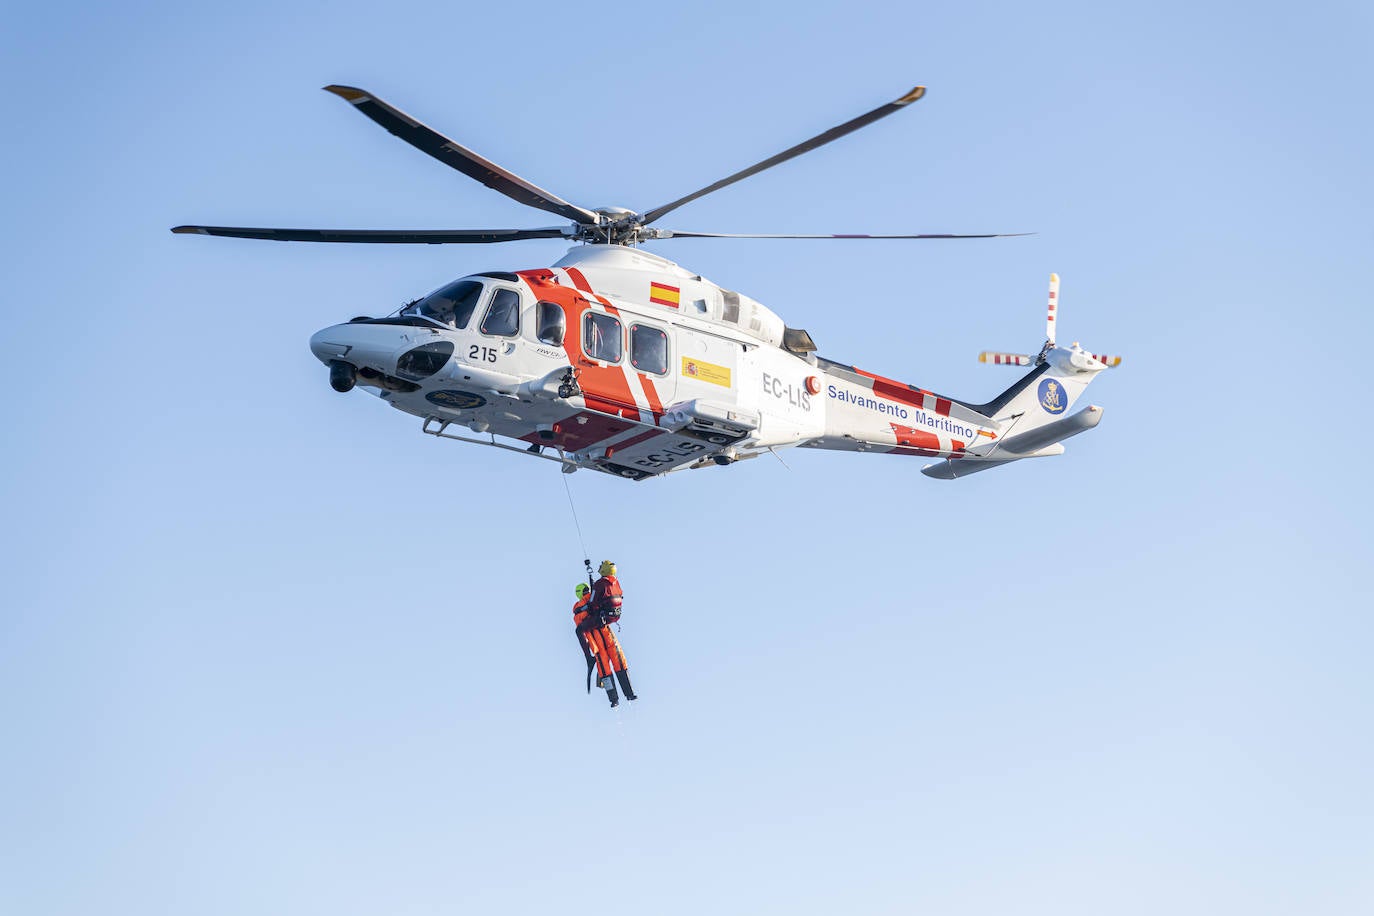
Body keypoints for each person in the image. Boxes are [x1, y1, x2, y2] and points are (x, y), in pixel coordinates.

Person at [574, 561, 637, 707]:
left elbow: (582, 620)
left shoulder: (581, 606)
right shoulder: (590, 599)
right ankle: (624, 695)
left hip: (602, 639)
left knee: (611, 666)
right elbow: (592, 602)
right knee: (613, 665)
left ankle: (619, 697)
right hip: (603, 637)